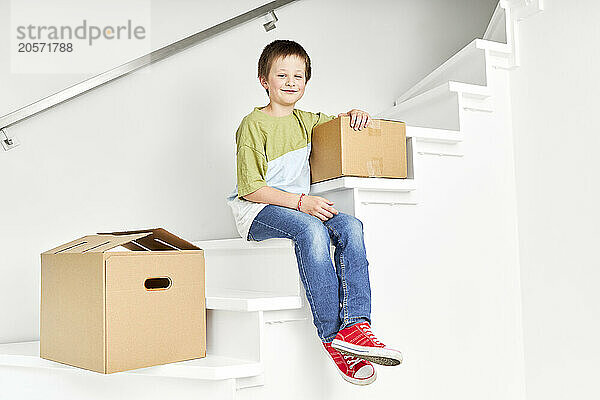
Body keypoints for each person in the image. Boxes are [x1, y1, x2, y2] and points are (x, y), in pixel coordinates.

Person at [226, 39, 402, 386]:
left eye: (299, 76)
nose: (291, 82)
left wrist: (354, 114)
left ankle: (355, 326)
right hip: (257, 210)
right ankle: (331, 337)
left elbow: (339, 123)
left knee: (351, 225)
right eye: (282, 75)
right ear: (264, 80)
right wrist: (302, 203)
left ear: (306, 82)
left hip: (298, 207)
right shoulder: (252, 124)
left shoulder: (307, 121)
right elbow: (250, 188)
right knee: (311, 231)